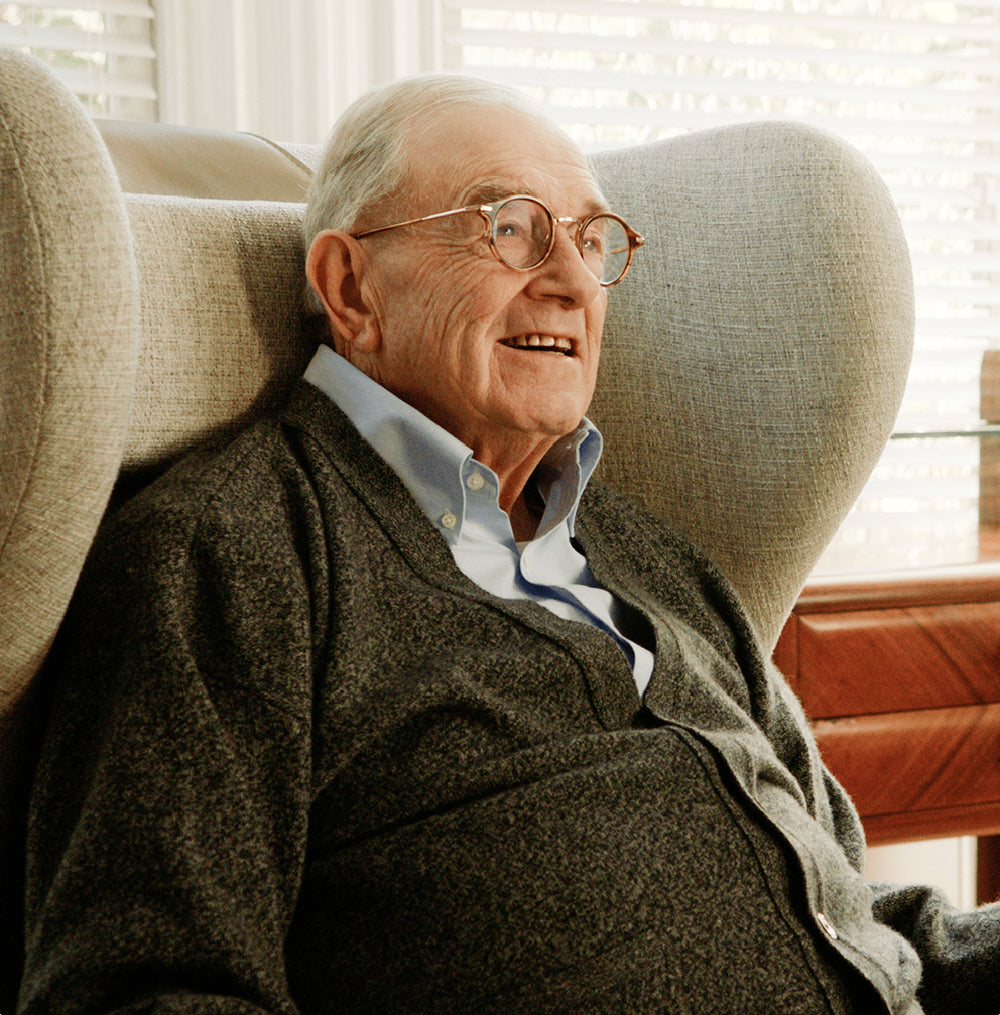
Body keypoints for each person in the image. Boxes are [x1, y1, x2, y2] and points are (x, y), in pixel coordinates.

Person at [16, 76, 1000, 1015]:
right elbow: (137, 987)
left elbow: (849, 921)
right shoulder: (230, 556)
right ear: (349, 287)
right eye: (509, 229)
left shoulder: (659, 560)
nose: (571, 279)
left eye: (589, 238)